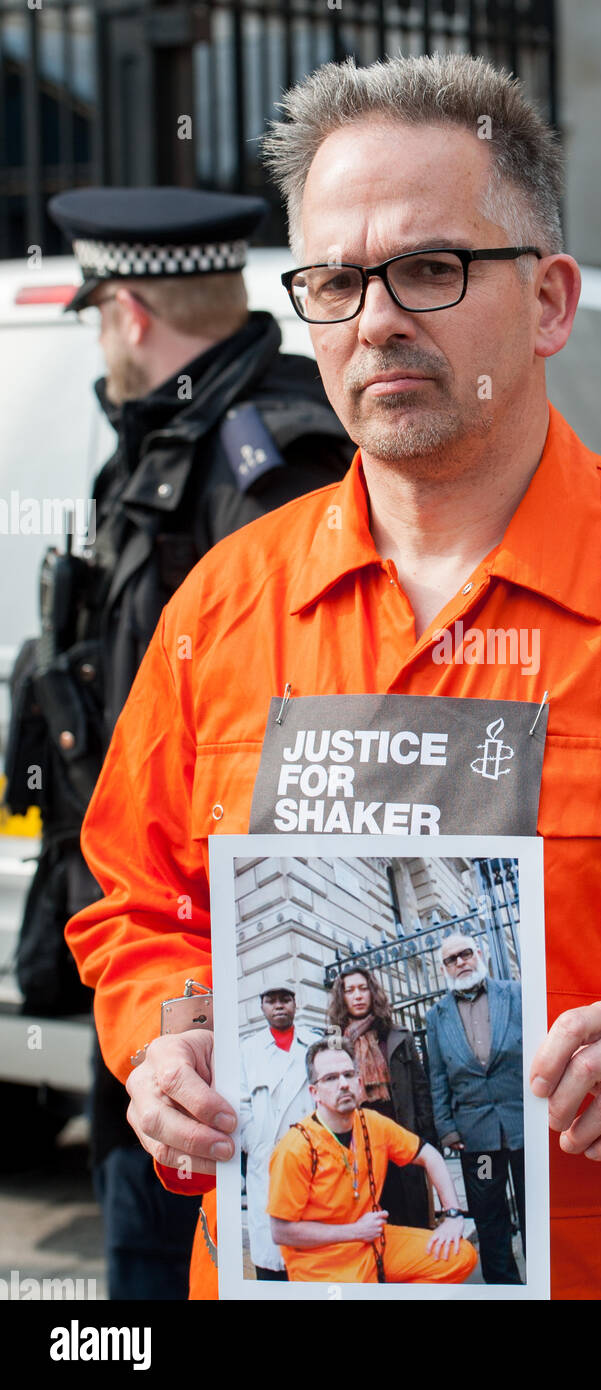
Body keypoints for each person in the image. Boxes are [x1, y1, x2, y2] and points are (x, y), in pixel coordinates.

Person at [65, 54, 601, 1300]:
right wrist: (166, 1035)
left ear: (548, 302)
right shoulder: (225, 605)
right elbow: (135, 905)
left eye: (431, 268)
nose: (376, 318)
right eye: (334, 279)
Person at [3, 184, 354, 1299]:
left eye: (100, 311)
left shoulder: (274, 460)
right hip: (149, 965)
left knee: (159, 1271)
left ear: (131, 311)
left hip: (223, 997)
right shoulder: (164, 446)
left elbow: (310, 755)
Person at [267, 1041, 476, 1284]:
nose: (343, 1084)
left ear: (358, 1082)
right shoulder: (295, 1147)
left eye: (348, 1074)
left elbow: (430, 1155)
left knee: (461, 1256)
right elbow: (281, 1231)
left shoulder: (372, 1122)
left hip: (373, 1244)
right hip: (322, 1263)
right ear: (315, 1092)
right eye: (331, 1078)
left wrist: (452, 1215)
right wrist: (354, 1231)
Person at [425, 934, 524, 1284]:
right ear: (444, 968)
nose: (461, 962)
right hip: (476, 1137)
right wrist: (447, 1129)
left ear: (479, 954)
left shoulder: (514, 994)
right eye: (452, 959)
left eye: (466, 953)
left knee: (533, 1207)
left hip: (521, 1124)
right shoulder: (436, 1017)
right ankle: (504, 1285)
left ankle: (548, 1280)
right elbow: (436, 1076)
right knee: (489, 1214)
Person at [328, 965, 436, 1228]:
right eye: (350, 990)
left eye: (363, 988)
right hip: (360, 1139)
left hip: (402, 1135)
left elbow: (420, 1088)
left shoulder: (396, 1035)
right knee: (377, 1212)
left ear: (372, 992)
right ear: (342, 997)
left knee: (414, 1213)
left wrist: (427, 1139)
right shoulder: (334, 1043)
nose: (357, 996)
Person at [239, 985, 323, 1279]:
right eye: (271, 1001)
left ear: (295, 1004)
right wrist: (256, 1142)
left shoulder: (314, 1045)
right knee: (272, 1257)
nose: (278, 1006)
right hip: (268, 1160)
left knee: (310, 1253)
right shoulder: (247, 1050)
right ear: (261, 1007)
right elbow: (240, 1103)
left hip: (310, 1156)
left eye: (285, 1000)